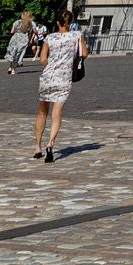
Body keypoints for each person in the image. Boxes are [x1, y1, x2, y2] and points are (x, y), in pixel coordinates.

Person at [31, 9, 83, 163]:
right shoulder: (77, 36)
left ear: (57, 22)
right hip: (64, 78)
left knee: (42, 112)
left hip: (47, 77)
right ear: (71, 23)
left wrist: (53, 60)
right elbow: (84, 54)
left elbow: (42, 60)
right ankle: (50, 143)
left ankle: (38, 147)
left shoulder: (49, 37)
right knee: (57, 114)